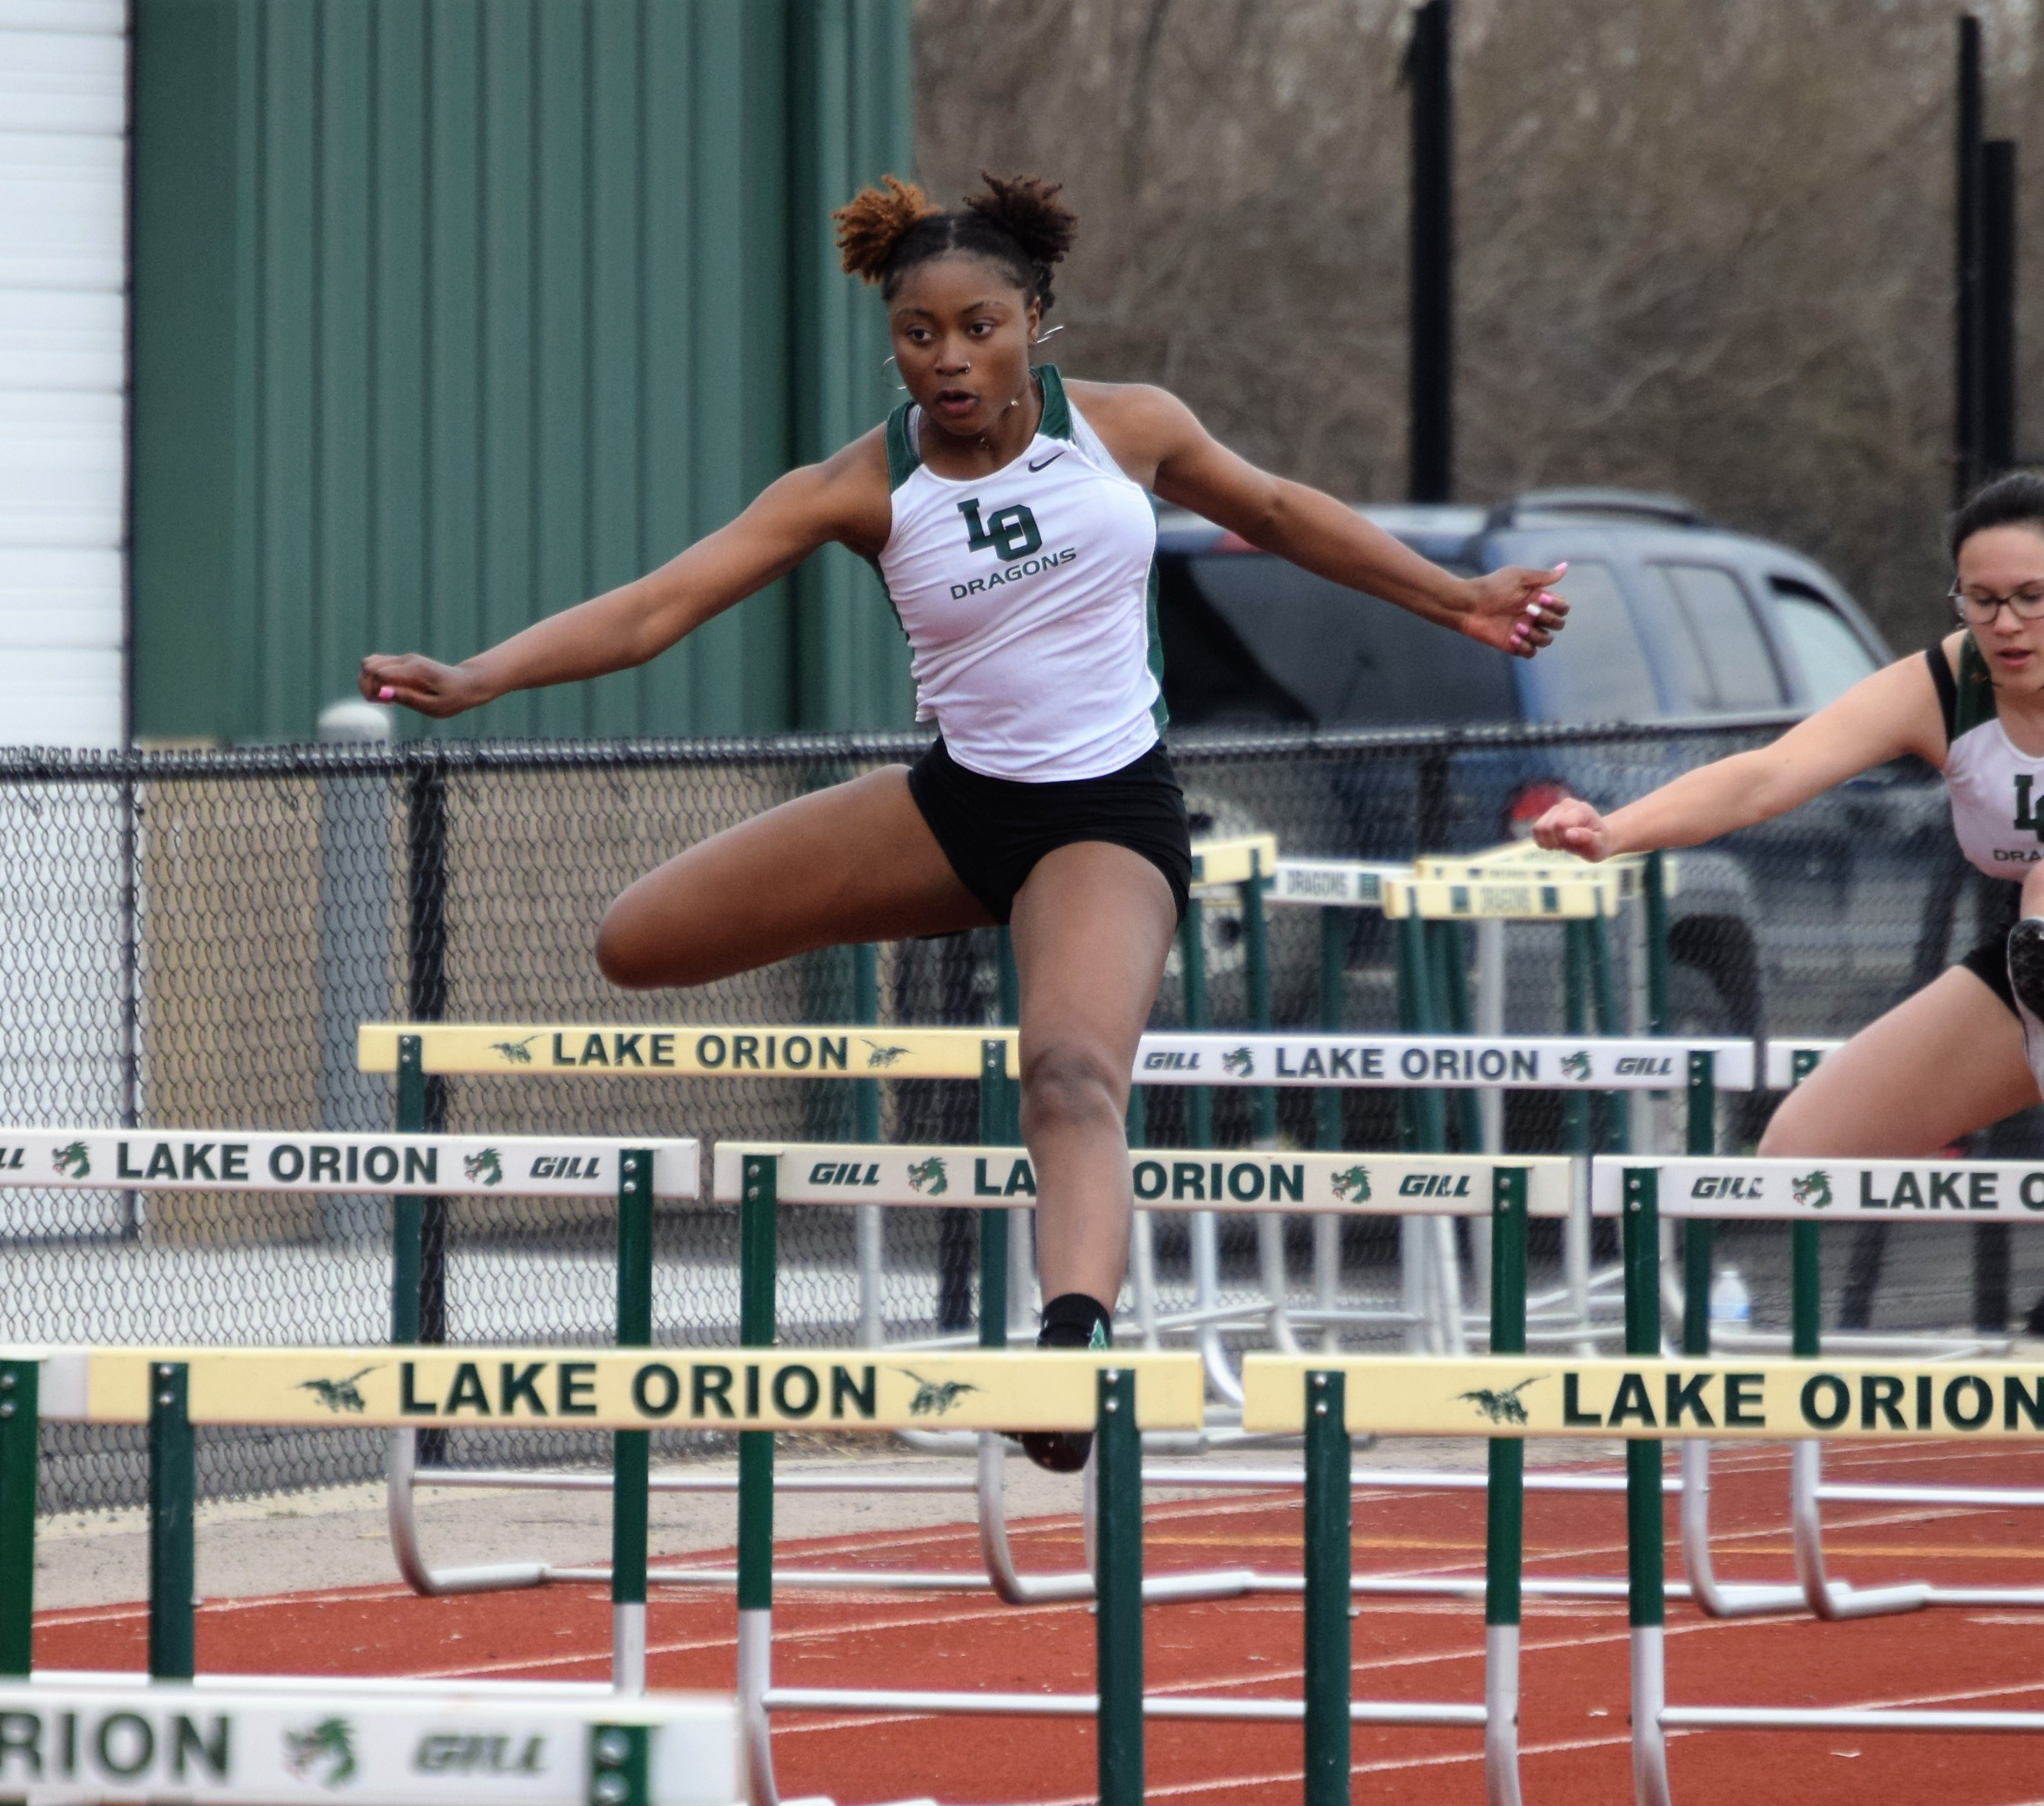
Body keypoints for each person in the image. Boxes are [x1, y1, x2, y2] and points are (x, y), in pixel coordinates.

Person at [358, 172, 1569, 1462]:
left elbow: (1275, 512)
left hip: (1106, 817)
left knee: (1066, 1071)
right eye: (918, 333)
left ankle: (1069, 1350)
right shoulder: (856, 486)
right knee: (634, 940)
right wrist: (482, 673)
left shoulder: (1130, 430)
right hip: (956, 804)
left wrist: (1456, 600)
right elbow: (658, 607)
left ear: (1034, 319)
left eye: (978, 326)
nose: (948, 359)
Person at [1534, 454, 2044, 1156]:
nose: (2005, 625)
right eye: (1980, 599)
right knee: (1797, 1149)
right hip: (2042, 959)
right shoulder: (1936, 688)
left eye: (2031, 596)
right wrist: (1613, 830)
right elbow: (1767, 775)